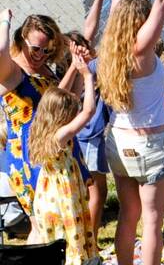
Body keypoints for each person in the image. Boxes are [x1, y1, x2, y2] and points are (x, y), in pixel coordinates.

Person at [97, 0, 164, 265]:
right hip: (150, 145)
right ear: (140, 24)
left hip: (117, 142)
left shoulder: (111, 52)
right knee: (151, 222)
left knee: (127, 218)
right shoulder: (141, 51)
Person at [26, 44, 97, 265]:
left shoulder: (39, 127)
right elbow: (88, 111)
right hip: (63, 197)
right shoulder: (60, 136)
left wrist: (74, 67)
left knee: (56, 242)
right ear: (62, 117)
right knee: (70, 240)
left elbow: (55, 96)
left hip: (46, 197)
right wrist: (87, 76)